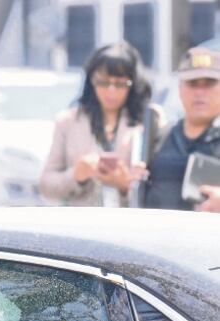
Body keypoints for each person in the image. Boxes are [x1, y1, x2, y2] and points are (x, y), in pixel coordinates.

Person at [40, 42, 156, 207]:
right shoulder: (69, 121)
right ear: (91, 81)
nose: (111, 91)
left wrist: (124, 184)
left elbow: (161, 186)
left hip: (129, 225)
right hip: (81, 224)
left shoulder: (149, 121)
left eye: (120, 84)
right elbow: (46, 185)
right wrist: (77, 175)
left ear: (133, 83)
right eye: (103, 82)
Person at [139, 46, 220, 212]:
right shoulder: (159, 137)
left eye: (209, 84)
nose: (200, 92)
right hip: (157, 235)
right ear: (180, 88)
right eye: (192, 83)